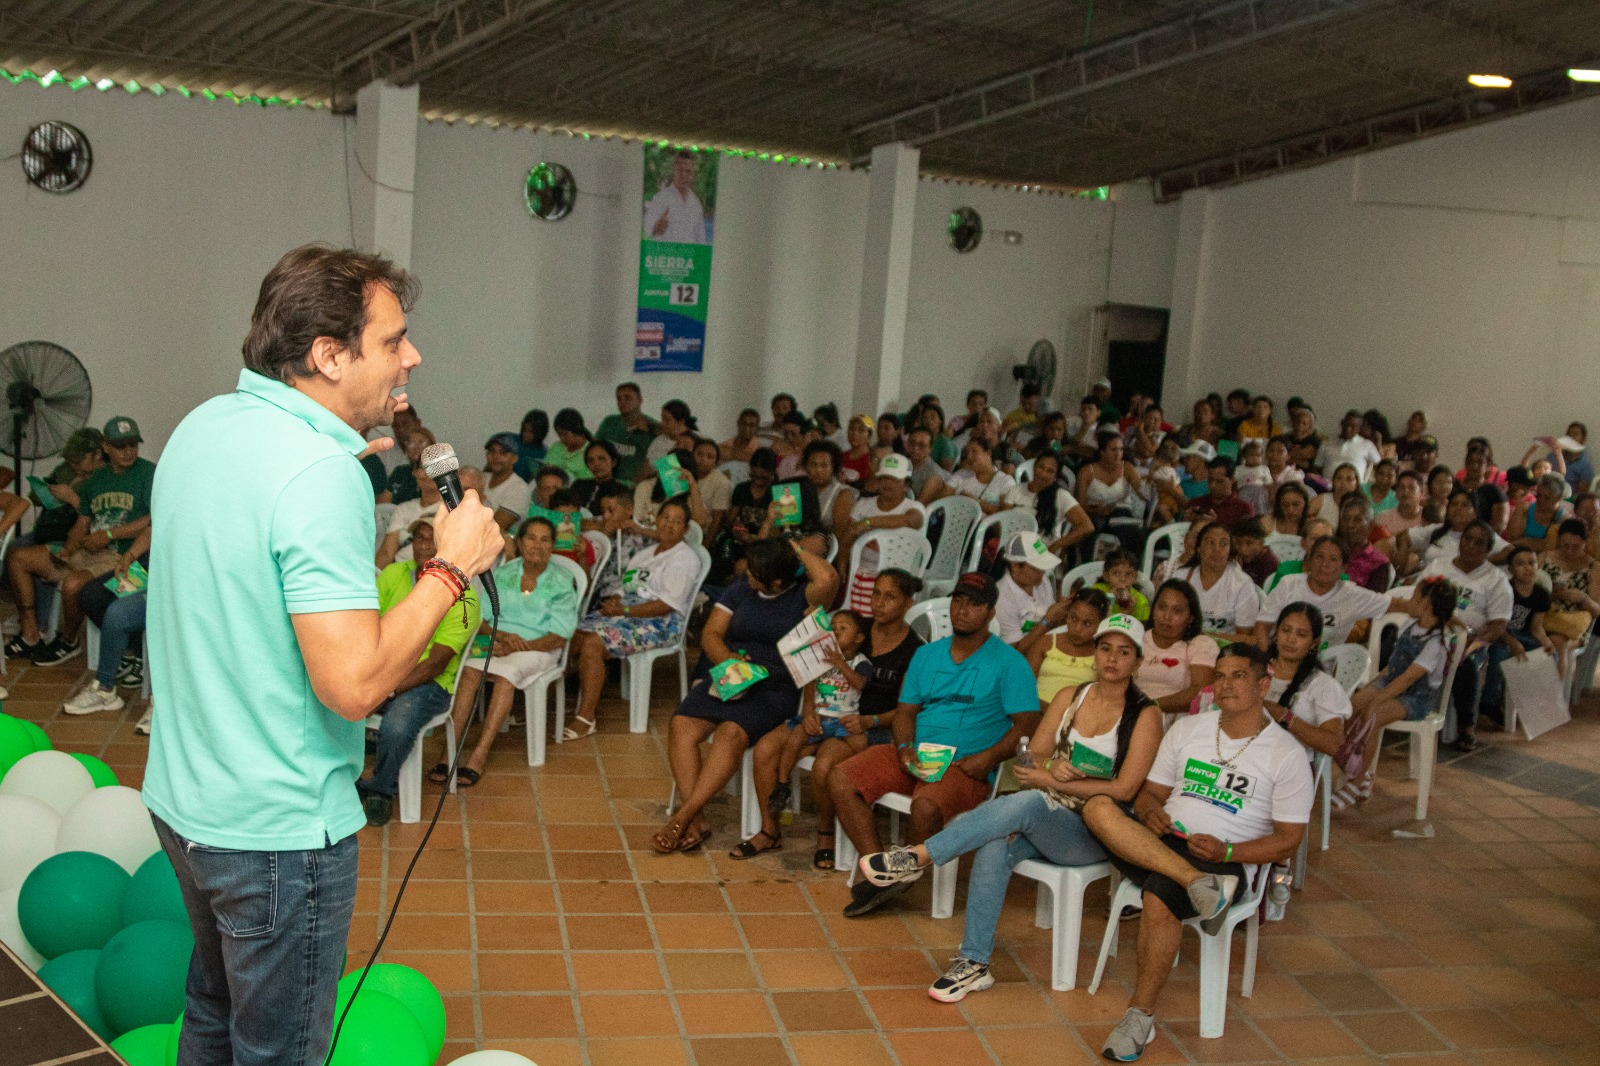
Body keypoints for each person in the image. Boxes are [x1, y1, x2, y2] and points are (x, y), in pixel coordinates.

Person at [143, 245, 505, 1066]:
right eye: (392, 341)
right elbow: (352, 686)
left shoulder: (205, 424)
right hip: (275, 830)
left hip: (185, 798)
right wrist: (451, 569)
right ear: (328, 356)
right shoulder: (321, 473)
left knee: (211, 1010)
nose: (411, 357)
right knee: (278, 1053)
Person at [857, 614, 1163, 1003]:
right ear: (1094, 653)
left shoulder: (1145, 714)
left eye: (1124, 652)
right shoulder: (1072, 697)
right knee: (995, 843)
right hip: (1048, 816)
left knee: (1028, 800)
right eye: (1105, 648)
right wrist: (1052, 766)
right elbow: (1033, 755)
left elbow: (1126, 787)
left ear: (1137, 661)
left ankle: (918, 855)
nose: (1112, 659)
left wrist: (1051, 779)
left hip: (1097, 830)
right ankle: (974, 963)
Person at [1082, 642, 1313, 1062]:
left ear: (1264, 683)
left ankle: (1139, 1017)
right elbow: (1151, 794)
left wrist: (1228, 851)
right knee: (1098, 807)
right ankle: (1199, 886)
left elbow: (1288, 839)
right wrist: (1151, 812)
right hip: (1164, 840)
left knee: (1157, 896)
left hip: (1224, 859)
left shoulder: (1287, 754)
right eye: (1219, 675)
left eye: (1238, 675)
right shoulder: (1189, 729)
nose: (1225, 685)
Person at [830, 573, 1041, 917]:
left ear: (991, 613)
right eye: (958, 600)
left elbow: (1027, 724)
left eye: (974, 604)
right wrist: (903, 749)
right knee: (841, 779)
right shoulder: (927, 655)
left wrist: (987, 759)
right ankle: (887, 871)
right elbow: (904, 714)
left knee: (925, 806)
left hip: (964, 765)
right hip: (917, 754)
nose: (962, 610)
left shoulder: (1009, 662)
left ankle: (900, 868)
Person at [657, 537, 837, 854]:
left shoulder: (804, 595)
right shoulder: (743, 587)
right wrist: (728, 659)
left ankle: (681, 817)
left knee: (730, 733)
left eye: (755, 573)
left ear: (777, 580)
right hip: (734, 673)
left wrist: (793, 547)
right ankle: (696, 818)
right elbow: (711, 633)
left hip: (776, 686)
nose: (747, 575)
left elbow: (829, 577)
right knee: (682, 725)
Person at [764, 570, 924, 870]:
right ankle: (768, 829)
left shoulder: (914, 650)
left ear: (907, 604)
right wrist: (810, 708)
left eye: (889, 597)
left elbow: (908, 709)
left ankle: (826, 834)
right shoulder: (854, 630)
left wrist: (869, 721)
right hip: (827, 715)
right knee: (766, 749)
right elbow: (816, 665)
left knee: (826, 763)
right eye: (876, 594)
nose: (878, 603)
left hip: (875, 728)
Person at [435, 515, 578, 786]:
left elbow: (560, 635)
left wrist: (522, 646)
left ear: (553, 546)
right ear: (520, 543)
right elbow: (483, 619)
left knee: (506, 675)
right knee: (469, 673)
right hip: (499, 642)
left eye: (545, 540)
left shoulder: (561, 581)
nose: (537, 545)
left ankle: (479, 754)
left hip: (541, 648)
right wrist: (503, 639)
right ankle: (448, 752)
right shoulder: (503, 573)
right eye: (531, 538)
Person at [356, 518, 481, 824]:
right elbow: (366, 621)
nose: (424, 545)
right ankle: (340, 779)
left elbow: (436, 663)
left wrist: (388, 688)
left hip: (430, 683)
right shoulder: (394, 574)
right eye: (419, 538)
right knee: (329, 696)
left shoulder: (464, 599)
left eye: (432, 539)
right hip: (383, 666)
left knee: (397, 726)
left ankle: (381, 789)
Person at [8, 416, 156, 665]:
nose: (128, 451)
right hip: (91, 548)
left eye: (133, 445)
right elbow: (82, 522)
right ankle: (31, 633)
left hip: (122, 553)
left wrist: (108, 535)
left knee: (73, 584)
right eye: (121, 446)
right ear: (106, 448)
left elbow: (152, 521)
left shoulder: (148, 473)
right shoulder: (96, 480)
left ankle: (68, 641)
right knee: (18, 557)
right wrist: (69, 547)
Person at [735, 608, 871, 859]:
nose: (835, 632)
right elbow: (810, 683)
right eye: (833, 627)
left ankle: (825, 832)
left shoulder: (859, 662)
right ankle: (775, 811)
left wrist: (840, 663)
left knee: (823, 766)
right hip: (817, 718)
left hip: (843, 725)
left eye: (843, 629)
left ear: (859, 638)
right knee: (771, 747)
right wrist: (808, 713)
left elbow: (860, 683)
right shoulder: (822, 656)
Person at [568, 497, 702, 738]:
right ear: (657, 520)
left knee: (593, 644)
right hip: (628, 612)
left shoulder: (685, 559)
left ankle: (586, 717)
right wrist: (616, 601)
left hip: (662, 622)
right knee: (571, 636)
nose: (669, 525)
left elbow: (665, 605)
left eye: (677, 521)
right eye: (665, 518)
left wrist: (623, 611)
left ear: (686, 529)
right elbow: (627, 586)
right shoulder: (647, 553)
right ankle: (553, 700)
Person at [1334, 578, 1457, 807]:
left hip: (1415, 697)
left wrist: (1378, 699)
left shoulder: (1436, 643)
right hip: (1391, 682)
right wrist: (1374, 683)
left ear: (1428, 605)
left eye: (1416, 596)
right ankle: (1353, 766)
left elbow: (1409, 678)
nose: (1410, 601)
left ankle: (1357, 780)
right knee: (1352, 706)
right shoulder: (1411, 624)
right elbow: (1395, 666)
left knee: (1373, 716)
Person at [1417, 520, 1512, 749]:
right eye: (1467, 539)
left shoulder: (1496, 580)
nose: (1470, 545)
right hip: (1430, 632)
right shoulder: (1439, 567)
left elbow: (1498, 624)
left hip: (1470, 641)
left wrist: (1471, 642)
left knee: (1465, 665)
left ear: (1488, 550)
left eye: (1479, 543)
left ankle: (1466, 727)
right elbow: (1418, 599)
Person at [62, 526, 152, 717]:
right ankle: (106, 687)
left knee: (126, 611)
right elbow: (152, 529)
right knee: (98, 599)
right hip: (152, 571)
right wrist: (129, 556)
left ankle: (162, 704)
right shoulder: (169, 496)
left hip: (188, 581)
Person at [1254, 536, 1393, 647]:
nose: (1324, 564)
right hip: (1281, 657)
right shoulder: (1288, 584)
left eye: (1333, 559)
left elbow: (1396, 604)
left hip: (1325, 664)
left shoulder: (1352, 594)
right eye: (1319, 557)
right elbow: (1262, 626)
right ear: (1310, 560)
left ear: (1344, 567)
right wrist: (1268, 660)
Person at [1263, 602, 1349, 759]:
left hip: (1290, 765)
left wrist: (1284, 715)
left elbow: (1333, 744)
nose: (1290, 639)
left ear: (1314, 642)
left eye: (1301, 635)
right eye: (1286, 630)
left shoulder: (1322, 684)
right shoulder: (1255, 670)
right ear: (1276, 632)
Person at [842, 454, 925, 611]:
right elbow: (848, 536)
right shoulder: (863, 504)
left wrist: (869, 522)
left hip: (898, 574)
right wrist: (841, 561)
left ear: (906, 485)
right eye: (883, 478)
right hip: (861, 571)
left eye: (894, 479)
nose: (887, 483)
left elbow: (911, 520)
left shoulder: (913, 507)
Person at [1136, 579, 1217, 713]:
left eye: (1177, 611)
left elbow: (1200, 693)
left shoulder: (1201, 644)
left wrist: (1149, 707)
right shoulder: (1136, 637)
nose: (1167, 616)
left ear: (1191, 618)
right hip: (1129, 715)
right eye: (1162, 607)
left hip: (1178, 723)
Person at [1172, 521, 1260, 637]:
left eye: (1223, 544)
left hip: (1225, 648)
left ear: (1230, 550)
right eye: (1210, 543)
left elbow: (1244, 636)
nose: (1216, 549)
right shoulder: (1181, 577)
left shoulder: (1242, 583)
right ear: (1198, 548)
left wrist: (1206, 639)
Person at [1027, 587, 1110, 705]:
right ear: (1067, 615)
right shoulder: (1046, 642)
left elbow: (1100, 699)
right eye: (1074, 618)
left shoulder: (1102, 653)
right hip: (1036, 712)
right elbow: (1024, 684)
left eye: (1087, 623)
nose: (1077, 629)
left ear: (1100, 624)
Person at [1002, 452, 1093, 560]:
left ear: (1055, 477)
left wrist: (1056, 546)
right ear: (1034, 466)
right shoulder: (1015, 490)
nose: (1043, 474)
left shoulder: (1061, 496)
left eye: (1050, 471)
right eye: (1041, 467)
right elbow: (1004, 520)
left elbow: (1087, 526)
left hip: (1040, 547)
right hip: (1014, 542)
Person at [995, 532, 1062, 652]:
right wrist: (1047, 621)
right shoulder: (1002, 598)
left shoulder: (1042, 581)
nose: (1042, 572)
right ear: (1015, 565)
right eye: (1036, 568)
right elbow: (1014, 652)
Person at [643, 149, 708, 243]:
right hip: (666, 255)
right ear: (674, 170)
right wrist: (657, 228)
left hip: (688, 256)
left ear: (693, 174)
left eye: (688, 171)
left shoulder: (696, 204)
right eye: (680, 170)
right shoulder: (660, 198)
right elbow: (647, 231)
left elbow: (701, 240)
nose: (684, 175)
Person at [597, 381, 657, 481]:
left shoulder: (653, 427)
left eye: (627, 398)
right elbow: (595, 449)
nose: (622, 402)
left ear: (640, 400)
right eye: (619, 398)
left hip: (635, 486)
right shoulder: (609, 422)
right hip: (607, 481)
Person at [944, 438, 1015, 514]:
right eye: (967, 453)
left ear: (988, 453)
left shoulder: (1005, 481)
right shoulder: (962, 474)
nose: (969, 457)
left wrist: (975, 501)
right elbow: (943, 499)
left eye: (974, 452)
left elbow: (1004, 515)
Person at [1506, 473, 1572, 549]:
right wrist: (1519, 505)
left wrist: (1522, 541)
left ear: (1559, 498)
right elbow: (1513, 534)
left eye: (1547, 498)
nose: (1541, 500)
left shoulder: (1565, 520)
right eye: (1539, 495)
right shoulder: (1526, 508)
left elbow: (1549, 545)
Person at [482, 432, 533, 529]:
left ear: (515, 459)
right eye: (492, 451)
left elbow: (494, 528)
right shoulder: (481, 478)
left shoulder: (519, 489)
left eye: (503, 453)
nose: (496, 457)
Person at [1315, 410, 1382, 481]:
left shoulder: (1367, 445)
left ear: (1359, 428)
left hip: (1355, 490)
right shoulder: (1326, 444)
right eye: (1346, 425)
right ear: (1342, 423)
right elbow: (1317, 466)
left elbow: (1380, 467)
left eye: (1353, 426)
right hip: (1327, 487)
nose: (1348, 429)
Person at [1092, 550, 1151, 622]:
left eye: (1129, 574)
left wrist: (1127, 614)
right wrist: (1109, 599)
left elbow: (1141, 628)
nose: (1122, 579)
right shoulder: (1096, 591)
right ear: (1106, 575)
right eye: (1116, 573)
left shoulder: (1141, 601)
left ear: (1135, 578)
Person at [570, 439, 626, 513]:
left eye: (602, 459)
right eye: (591, 460)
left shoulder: (622, 492)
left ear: (613, 462)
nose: (596, 464)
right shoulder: (579, 485)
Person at [542, 407, 592, 483]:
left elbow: (590, 480)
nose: (561, 438)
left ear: (576, 431)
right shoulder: (556, 447)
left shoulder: (591, 451)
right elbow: (545, 467)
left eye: (565, 434)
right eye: (559, 434)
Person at [647, 399, 699, 466]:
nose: (662, 423)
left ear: (681, 422)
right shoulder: (659, 441)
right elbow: (647, 467)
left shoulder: (697, 442)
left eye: (667, 420)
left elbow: (672, 475)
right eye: (662, 419)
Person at [904, 426, 948, 504]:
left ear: (930, 449)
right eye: (912, 442)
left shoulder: (934, 474)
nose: (915, 448)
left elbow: (920, 505)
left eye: (921, 445)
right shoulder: (903, 463)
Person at [1231, 517, 1280, 587]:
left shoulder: (1269, 563)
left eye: (1249, 543)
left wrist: (1238, 573)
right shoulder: (1235, 557)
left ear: (1261, 543)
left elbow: (1256, 594)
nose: (1243, 549)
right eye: (1238, 542)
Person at [515, 408, 549, 480]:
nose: (526, 434)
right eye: (524, 430)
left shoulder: (544, 454)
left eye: (530, 432)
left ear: (540, 433)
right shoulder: (511, 441)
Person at [840, 414, 875, 484]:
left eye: (861, 430)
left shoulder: (872, 460)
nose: (855, 433)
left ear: (869, 436)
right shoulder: (840, 456)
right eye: (852, 429)